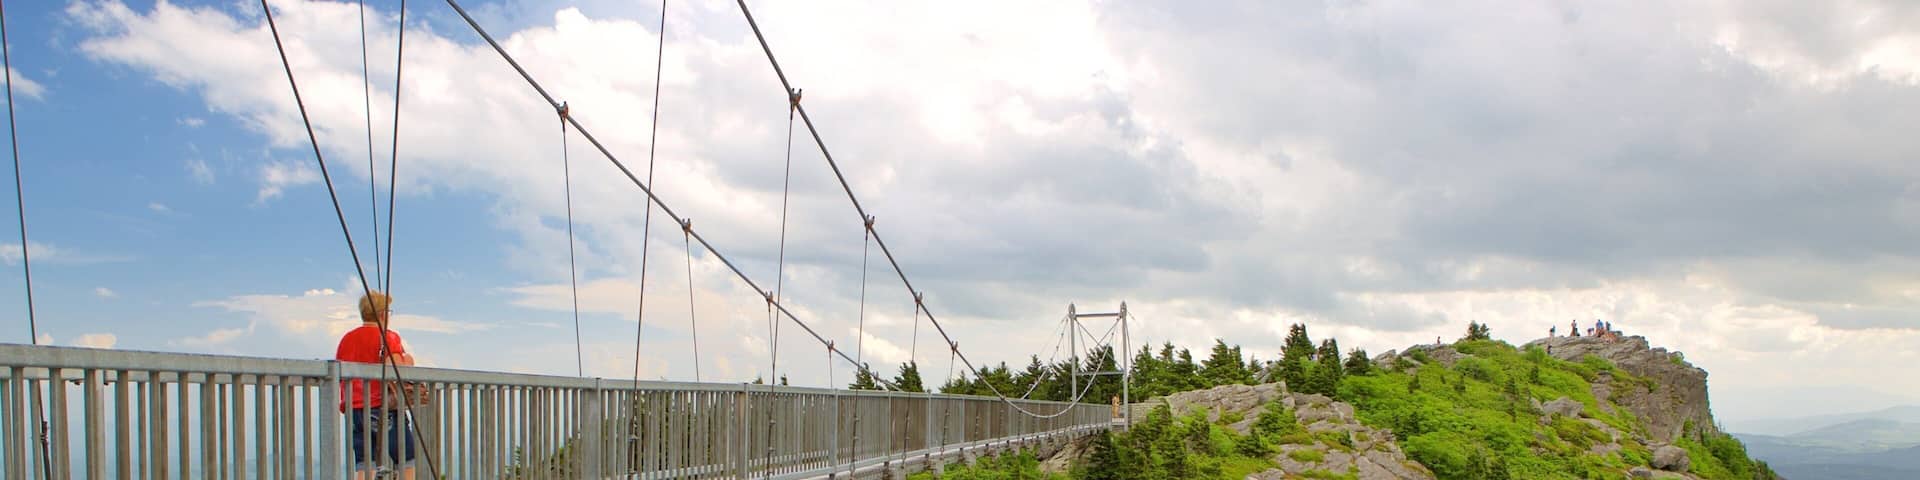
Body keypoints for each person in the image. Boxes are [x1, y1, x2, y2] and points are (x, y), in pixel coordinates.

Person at [336, 291, 417, 480]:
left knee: (365, 462)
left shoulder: (348, 338)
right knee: (406, 458)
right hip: (384, 406)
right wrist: (408, 359)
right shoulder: (388, 336)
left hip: (355, 408)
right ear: (382, 314)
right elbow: (394, 365)